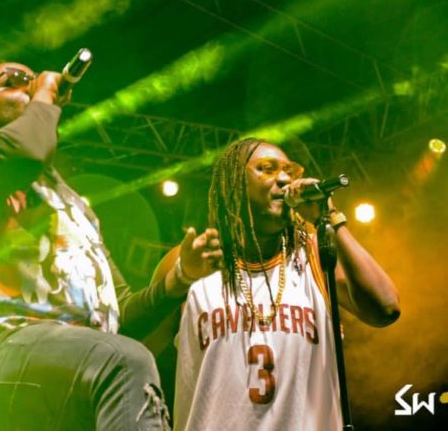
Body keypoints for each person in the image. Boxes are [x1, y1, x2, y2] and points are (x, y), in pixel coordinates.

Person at [0, 62, 222, 431]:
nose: (30, 84)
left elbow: (117, 317)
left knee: (121, 356)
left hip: (72, 367)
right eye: (15, 81)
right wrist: (45, 93)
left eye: (32, 79)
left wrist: (178, 279)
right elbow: (23, 154)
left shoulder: (72, 205)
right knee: (125, 361)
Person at [167, 138, 400, 430]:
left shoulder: (314, 254)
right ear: (233, 184)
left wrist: (330, 218)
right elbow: (137, 343)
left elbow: (385, 308)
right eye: (267, 169)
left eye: (289, 171)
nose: (284, 179)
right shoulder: (195, 261)